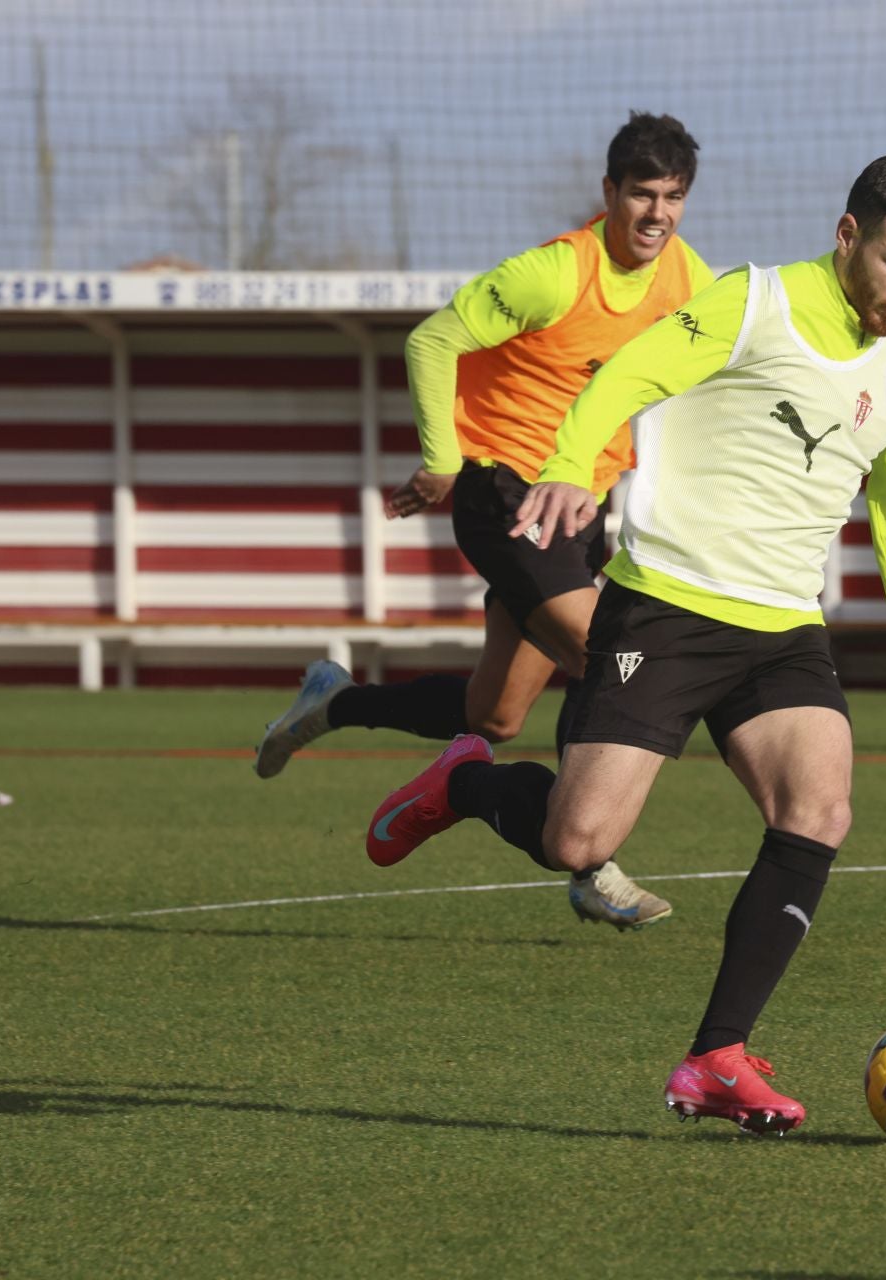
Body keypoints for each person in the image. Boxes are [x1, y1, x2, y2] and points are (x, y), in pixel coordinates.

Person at [363, 155, 886, 1134]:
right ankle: (466, 782)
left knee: (819, 806)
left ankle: (717, 1057)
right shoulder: (753, 303)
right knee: (579, 839)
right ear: (849, 236)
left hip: (781, 627)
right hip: (667, 612)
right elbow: (630, 371)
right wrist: (565, 466)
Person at [254, 112, 716, 928]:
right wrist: (440, 458)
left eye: (673, 197)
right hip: (502, 495)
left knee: (493, 715)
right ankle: (590, 865)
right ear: (609, 193)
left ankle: (340, 708)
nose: (657, 214)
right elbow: (434, 341)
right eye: (642, 194)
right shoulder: (554, 274)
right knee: (610, 660)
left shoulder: (689, 281)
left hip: (579, 508)